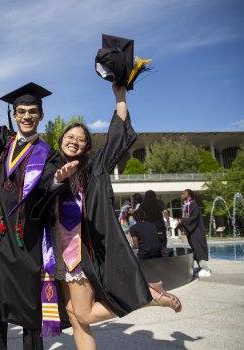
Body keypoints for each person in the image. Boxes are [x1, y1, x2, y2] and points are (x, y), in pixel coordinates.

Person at [48, 82, 182, 350]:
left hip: (82, 252)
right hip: (57, 254)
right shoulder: (51, 167)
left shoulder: (94, 167)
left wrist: (120, 97)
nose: (74, 141)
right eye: (70, 137)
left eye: (81, 139)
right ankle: (147, 293)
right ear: (61, 139)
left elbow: (117, 138)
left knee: (84, 313)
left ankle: (148, 296)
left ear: (87, 147)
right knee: (75, 317)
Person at [0, 42, 63, 350]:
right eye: (21, 112)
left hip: (27, 242)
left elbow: (49, 187)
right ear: (14, 113)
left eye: (32, 112)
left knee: (30, 312)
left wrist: (59, 181)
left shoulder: (48, 155)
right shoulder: (1, 142)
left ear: (41, 114)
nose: (26, 117)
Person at [178, 189, 211, 277]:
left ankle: (205, 269)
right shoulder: (188, 204)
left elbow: (194, 218)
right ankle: (201, 268)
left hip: (197, 232)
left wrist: (182, 221)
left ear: (188, 194)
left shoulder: (193, 204)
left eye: (183, 193)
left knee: (199, 249)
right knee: (195, 249)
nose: (181, 195)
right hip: (192, 232)